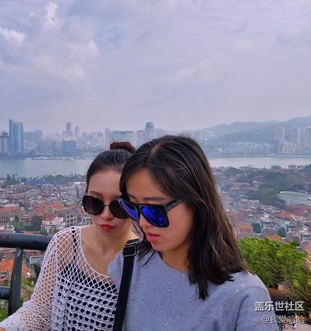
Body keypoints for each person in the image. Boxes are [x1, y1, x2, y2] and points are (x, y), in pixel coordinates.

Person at [109, 135, 278, 331]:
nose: (143, 221)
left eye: (155, 209)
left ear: (196, 203)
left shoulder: (244, 297)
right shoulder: (129, 263)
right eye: (134, 207)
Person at [0, 141, 136, 331]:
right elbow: (40, 309)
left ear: (135, 203)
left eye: (118, 205)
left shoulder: (145, 258)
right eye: (94, 202)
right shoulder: (67, 244)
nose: (105, 215)